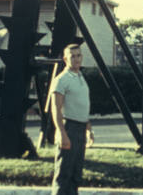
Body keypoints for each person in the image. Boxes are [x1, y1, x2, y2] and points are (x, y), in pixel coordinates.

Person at [50, 44, 94, 195]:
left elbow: (81, 105)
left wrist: (88, 129)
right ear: (65, 59)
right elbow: (55, 108)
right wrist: (62, 133)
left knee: (75, 176)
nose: (76, 59)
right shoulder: (61, 80)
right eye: (72, 56)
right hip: (68, 129)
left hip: (81, 130)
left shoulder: (80, 76)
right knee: (64, 176)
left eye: (78, 55)